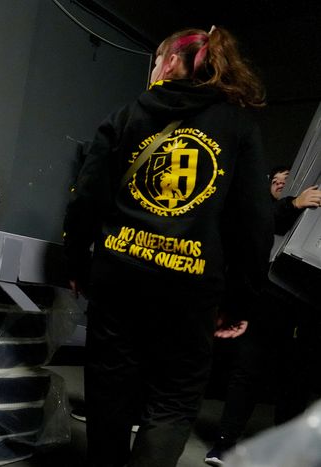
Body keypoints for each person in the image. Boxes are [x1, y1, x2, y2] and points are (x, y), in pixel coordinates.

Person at [62, 26, 274, 467]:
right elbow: (253, 221)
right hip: (192, 287)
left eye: (156, 60)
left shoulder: (126, 115)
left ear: (172, 63)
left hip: (119, 276)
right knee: (174, 401)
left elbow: (87, 197)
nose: (154, 68)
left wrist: (78, 264)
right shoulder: (237, 127)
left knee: (109, 393)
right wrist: (240, 301)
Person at [204, 166, 321, 466]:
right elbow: (260, 228)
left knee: (298, 379)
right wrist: (294, 203)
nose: (281, 182)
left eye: (286, 179)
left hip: (311, 302)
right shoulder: (286, 200)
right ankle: (224, 443)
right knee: (248, 369)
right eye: (278, 179)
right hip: (273, 293)